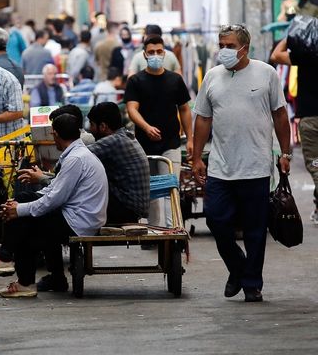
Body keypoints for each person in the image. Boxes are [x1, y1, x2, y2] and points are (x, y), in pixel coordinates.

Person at [192, 24, 291, 303]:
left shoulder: (266, 73)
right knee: (216, 219)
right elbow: (202, 118)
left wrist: (285, 153)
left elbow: (280, 115)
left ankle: (251, 284)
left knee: (255, 229)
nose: (224, 50)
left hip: (256, 164)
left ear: (245, 48)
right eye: (221, 45)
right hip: (221, 166)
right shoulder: (211, 77)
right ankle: (237, 267)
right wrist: (197, 156)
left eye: (230, 46)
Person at [0, 114, 108, 297]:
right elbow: (52, 190)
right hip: (77, 216)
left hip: (79, 222)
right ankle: (16, 262)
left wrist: (19, 210)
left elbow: (53, 199)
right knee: (24, 199)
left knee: (25, 222)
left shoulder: (75, 159)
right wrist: (19, 205)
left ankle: (11, 264)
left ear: (54, 134)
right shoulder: (76, 154)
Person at [125, 35, 192, 229]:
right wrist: (146, 127)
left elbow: (185, 109)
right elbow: (132, 108)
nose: (155, 55)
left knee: (172, 187)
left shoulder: (175, 80)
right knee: (151, 190)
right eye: (151, 52)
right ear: (144, 55)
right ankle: (154, 231)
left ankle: (174, 231)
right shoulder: (136, 81)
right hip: (144, 145)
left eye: (159, 51)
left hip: (171, 143)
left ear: (165, 53)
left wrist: (190, 138)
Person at [270, 38, 318, 223]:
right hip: (309, 121)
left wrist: (290, 36)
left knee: (316, 165)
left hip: (310, 121)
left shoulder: (305, 56)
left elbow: (276, 54)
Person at [87, 102, 150, 223]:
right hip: (132, 208)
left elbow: (78, 157)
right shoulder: (125, 136)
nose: (90, 129)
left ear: (103, 126)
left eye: (92, 124)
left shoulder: (113, 141)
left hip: (127, 209)